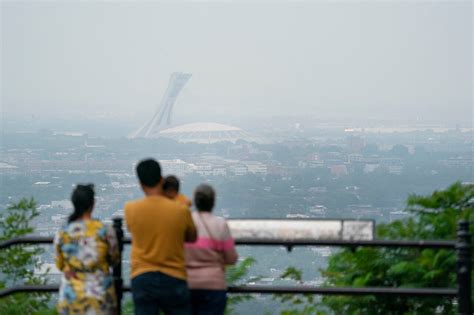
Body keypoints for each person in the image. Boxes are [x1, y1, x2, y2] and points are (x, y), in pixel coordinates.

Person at [125, 158, 197, 315]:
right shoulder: (180, 210)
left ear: (141, 184)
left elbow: (132, 229)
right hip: (174, 276)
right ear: (161, 179)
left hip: (142, 276)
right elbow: (192, 237)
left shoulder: (130, 209)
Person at [54, 184, 119, 315]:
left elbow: (59, 264)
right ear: (92, 204)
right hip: (100, 294)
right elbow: (114, 259)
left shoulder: (63, 232)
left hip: (72, 295)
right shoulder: (104, 230)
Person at [185, 184, 238, 315]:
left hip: (186, 284)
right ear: (213, 202)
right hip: (213, 285)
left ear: (195, 202)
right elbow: (231, 258)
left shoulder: (185, 222)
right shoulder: (220, 224)